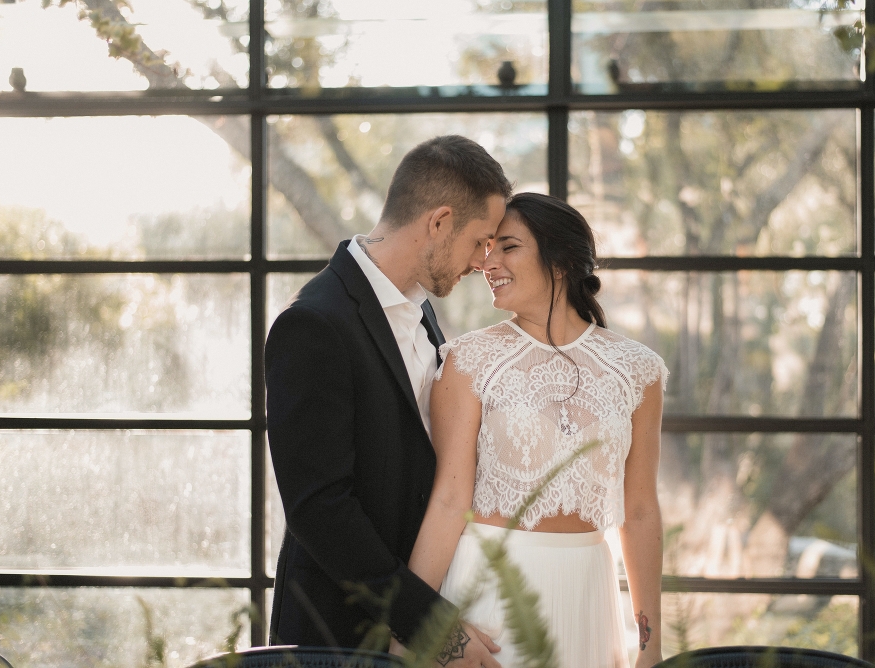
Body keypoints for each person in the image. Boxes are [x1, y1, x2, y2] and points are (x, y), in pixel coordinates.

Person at [265, 134, 513, 666]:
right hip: (339, 633)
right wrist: (434, 628)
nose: (482, 261)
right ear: (440, 222)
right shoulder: (311, 323)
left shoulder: (422, 311)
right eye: (481, 240)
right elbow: (320, 510)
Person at [404, 193, 667, 668]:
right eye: (486, 248)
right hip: (489, 593)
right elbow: (448, 501)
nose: (488, 262)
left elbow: (642, 510)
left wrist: (650, 646)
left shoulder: (638, 371)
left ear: (561, 262)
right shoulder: (468, 362)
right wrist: (412, 625)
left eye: (508, 247)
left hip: (587, 594)